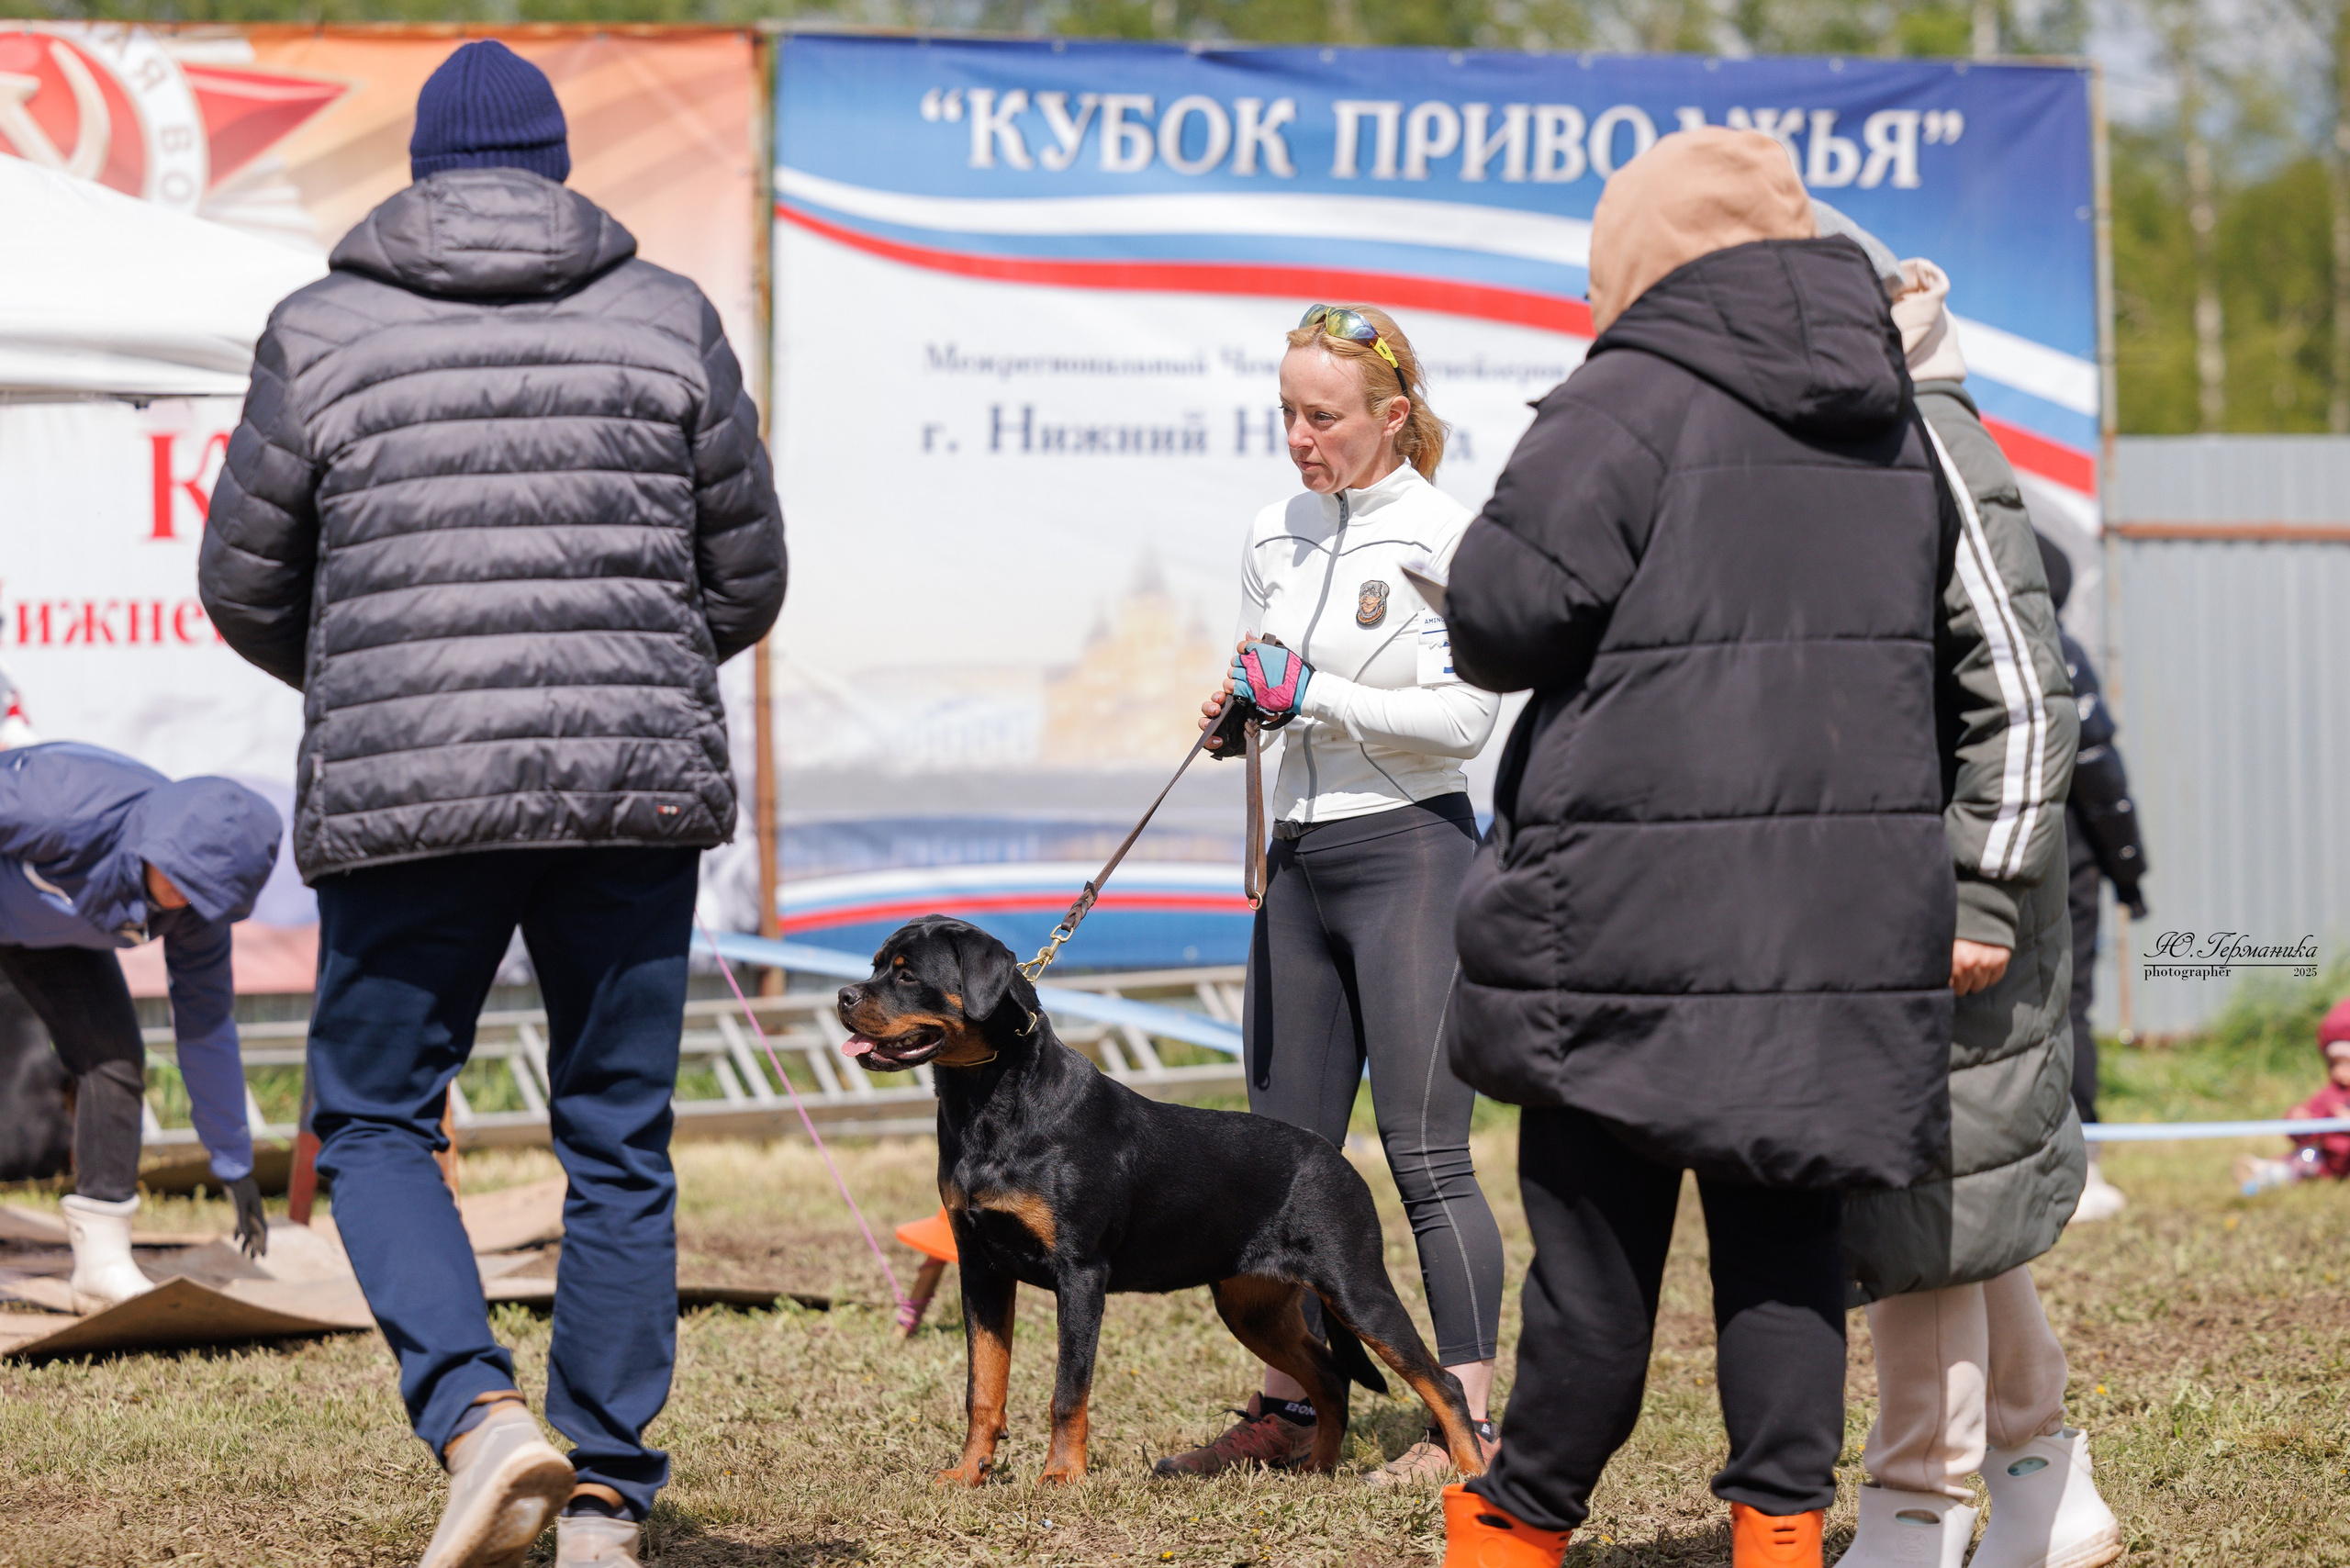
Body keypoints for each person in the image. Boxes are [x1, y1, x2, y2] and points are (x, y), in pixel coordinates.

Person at [198, 39, 785, 1568]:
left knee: (375, 1114)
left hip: (410, 795)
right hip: (631, 785)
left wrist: (381, 686)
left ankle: (475, 1413)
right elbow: (748, 575)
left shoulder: (320, 328)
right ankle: (603, 1497)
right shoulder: (669, 317)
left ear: (420, 170)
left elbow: (244, 584)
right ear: (555, 165)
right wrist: (630, 676)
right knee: (619, 1134)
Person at [1429, 129, 2031, 1568]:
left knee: (1593, 1256)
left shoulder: (1621, 399)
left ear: (1636, 261)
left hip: (1623, 909)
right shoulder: (1894, 412)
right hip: (1835, 921)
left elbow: (1500, 621)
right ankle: (1778, 1531)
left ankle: (1520, 1526)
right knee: (1783, 1253)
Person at [1158, 303, 1505, 1485]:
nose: (1299, 438)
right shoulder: (1275, 530)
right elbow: (1279, 687)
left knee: (1426, 1157)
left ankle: (1471, 1425)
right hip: (1299, 862)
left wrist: (1315, 690)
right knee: (1277, 1164)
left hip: (1410, 853)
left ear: (1392, 416)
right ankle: (1290, 1412)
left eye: (1323, 416)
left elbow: (1466, 720)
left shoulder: (1447, 534)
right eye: (1286, 413)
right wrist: (1244, 716)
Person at [1835, 249, 2122, 1568]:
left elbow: (2026, 686)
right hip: (1910, 882)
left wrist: (1986, 894)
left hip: (1953, 895)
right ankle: (2043, 1480)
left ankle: (1918, 1507)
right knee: (1963, 1205)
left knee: (1927, 1211)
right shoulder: (1877, 434)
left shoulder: (1928, 434)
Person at [0, 742, 281, 1301]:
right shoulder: (57, 805)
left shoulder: (197, 910)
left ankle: (101, 1265)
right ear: (158, 840)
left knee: (113, 1059)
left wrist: (233, 1161)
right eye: (177, 873)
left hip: (46, 936)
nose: (180, 896)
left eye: (200, 891)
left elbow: (205, 1028)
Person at [2032, 537, 2149, 1223]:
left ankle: (2077, 1161)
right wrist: (2128, 873)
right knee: (2067, 1007)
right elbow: (2103, 776)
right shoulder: (2061, 653)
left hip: (2018, 865)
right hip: (2063, 866)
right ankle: (2081, 1168)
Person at [2237, 996, 2350, 1192]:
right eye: (2335, 1064)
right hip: (2326, 1161)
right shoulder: (2332, 1095)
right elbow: (2311, 1115)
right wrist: (2300, 1121)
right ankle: (2267, 1172)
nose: (2340, 1071)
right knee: (2307, 1155)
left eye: (2347, 1063)